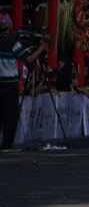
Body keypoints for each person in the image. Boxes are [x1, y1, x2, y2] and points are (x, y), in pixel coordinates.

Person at [0, 13, 48, 151]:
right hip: (10, 85)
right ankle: (6, 146)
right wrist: (41, 48)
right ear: (9, 26)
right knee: (10, 117)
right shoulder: (13, 43)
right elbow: (29, 60)